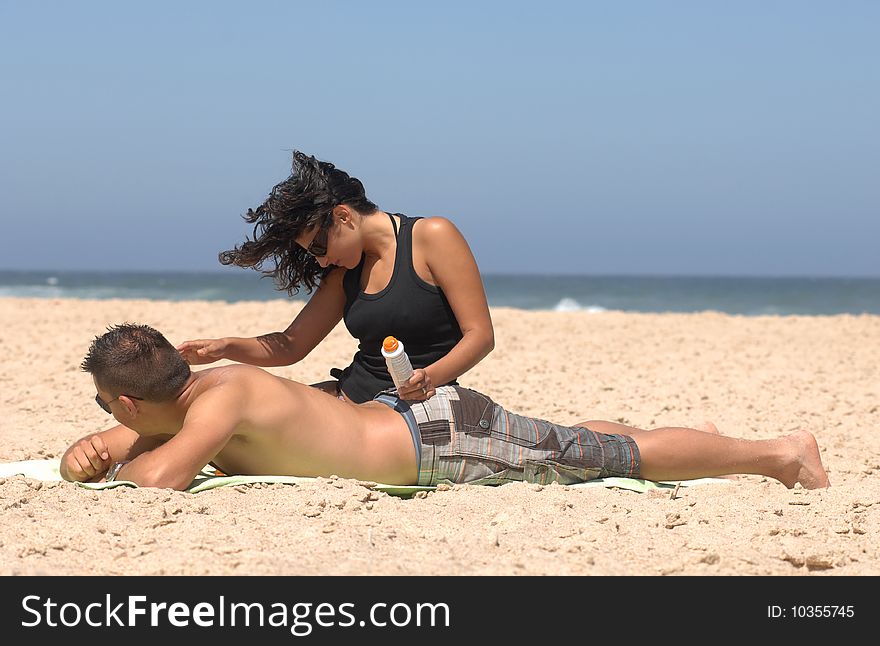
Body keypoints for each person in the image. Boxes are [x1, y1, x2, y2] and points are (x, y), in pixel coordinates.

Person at [61, 324, 831, 491]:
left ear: (131, 402)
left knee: (612, 461)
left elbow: (158, 482)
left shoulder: (223, 397)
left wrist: (112, 454)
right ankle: (699, 438)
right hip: (429, 432)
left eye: (109, 409)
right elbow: (160, 442)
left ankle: (778, 453)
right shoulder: (205, 401)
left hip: (442, 442)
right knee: (571, 443)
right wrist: (101, 442)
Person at [176, 151, 494, 404]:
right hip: (346, 398)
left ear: (343, 216)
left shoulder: (432, 237)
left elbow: (480, 336)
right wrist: (224, 347)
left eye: (318, 246)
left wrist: (430, 377)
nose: (321, 260)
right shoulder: (344, 272)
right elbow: (291, 345)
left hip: (406, 410)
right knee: (227, 397)